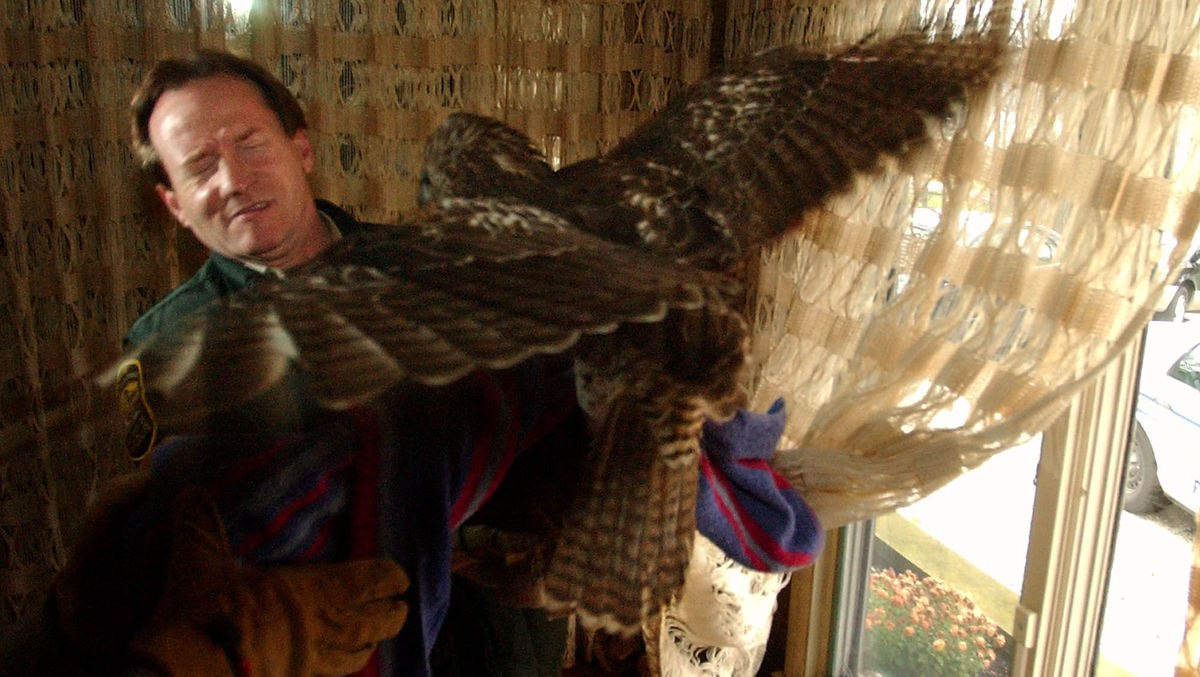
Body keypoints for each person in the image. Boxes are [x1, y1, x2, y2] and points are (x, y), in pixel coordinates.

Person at [101, 48, 822, 677]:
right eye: (199, 165)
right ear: (173, 202)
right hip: (321, 650)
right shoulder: (162, 349)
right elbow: (179, 541)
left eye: (250, 143)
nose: (232, 177)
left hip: (493, 626)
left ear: (302, 147)